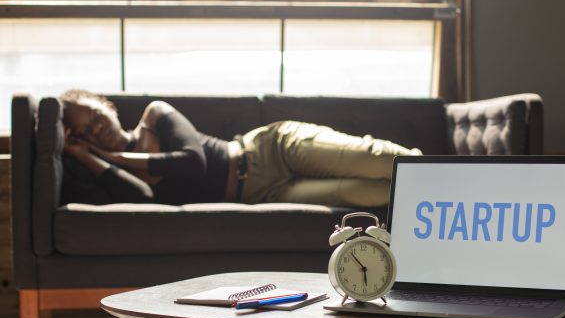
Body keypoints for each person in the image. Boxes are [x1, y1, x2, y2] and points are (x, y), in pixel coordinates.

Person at [60, 89, 422, 207]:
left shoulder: (155, 114)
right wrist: (86, 158)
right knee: (372, 194)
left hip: (271, 149)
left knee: (381, 161)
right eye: (84, 131)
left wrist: (110, 156)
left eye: (94, 115)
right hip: (265, 192)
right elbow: (143, 199)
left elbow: (193, 163)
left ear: (106, 106)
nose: (96, 128)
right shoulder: (115, 174)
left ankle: (457, 177)